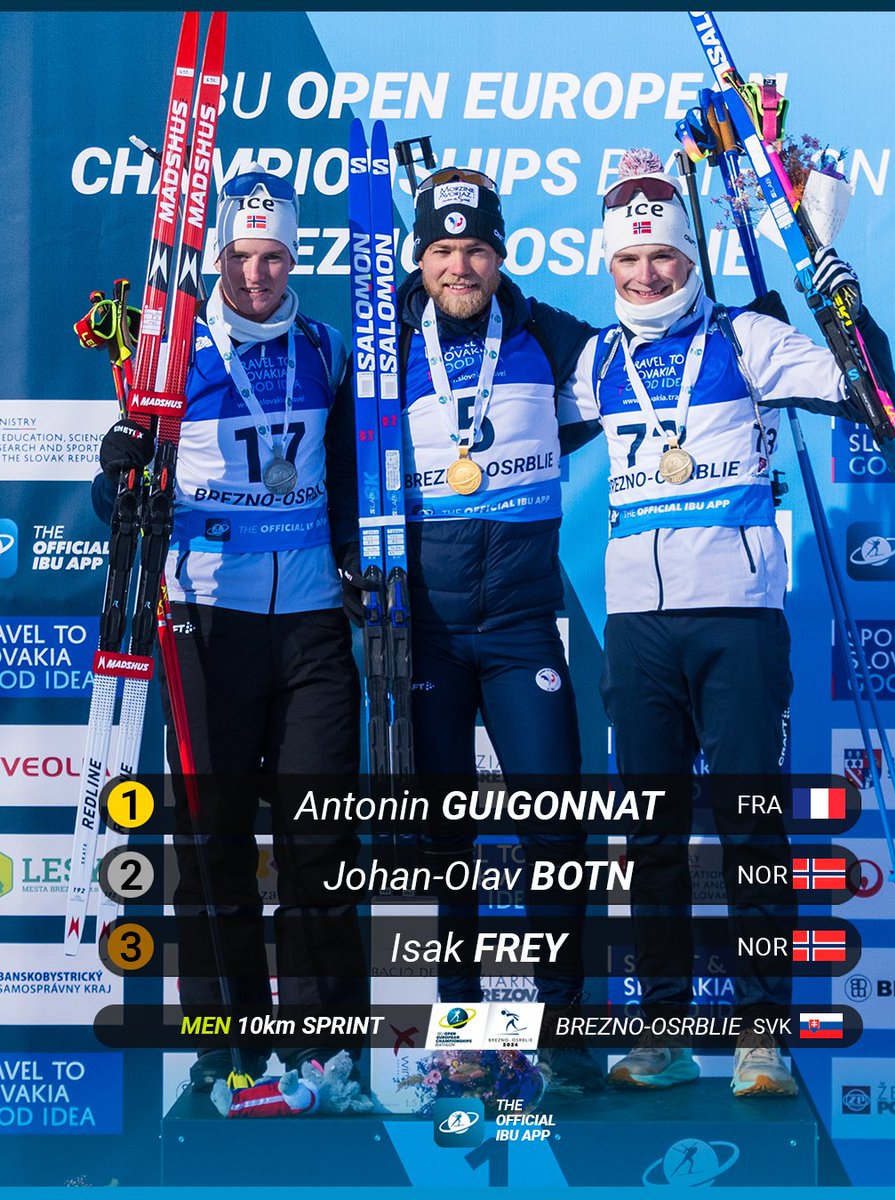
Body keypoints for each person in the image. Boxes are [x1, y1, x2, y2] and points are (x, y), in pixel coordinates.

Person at [565, 149, 895, 1097]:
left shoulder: (748, 339)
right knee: (651, 836)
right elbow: (510, 428)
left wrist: (841, 294)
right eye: (628, 263)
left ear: (689, 258)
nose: (645, 276)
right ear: (608, 265)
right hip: (637, 626)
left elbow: (868, 392)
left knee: (752, 828)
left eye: (662, 258)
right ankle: (662, 1032)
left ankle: (761, 1036)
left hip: (739, 619)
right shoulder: (594, 360)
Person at [94, 166, 366, 1090]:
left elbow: (350, 468)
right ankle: (229, 1040)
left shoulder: (329, 349)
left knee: (320, 838)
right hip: (208, 623)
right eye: (242, 257)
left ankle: (328, 1044)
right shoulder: (172, 351)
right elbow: (127, 477)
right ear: (217, 256)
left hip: (314, 630)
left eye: (274, 256)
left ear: (295, 258)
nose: (258, 275)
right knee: (212, 840)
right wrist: (118, 463)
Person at [340, 166, 603, 1090]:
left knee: (555, 832)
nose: (461, 265)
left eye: (477, 249)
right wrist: (352, 570)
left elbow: (654, 361)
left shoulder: (549, 335)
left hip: (526, 631)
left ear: (500, 255)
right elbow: (344, 468)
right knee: (446, 843)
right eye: (444, 250)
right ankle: (463, 1034)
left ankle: (563, 1030)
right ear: (420, 258)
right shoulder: (380, 354)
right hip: (433, 638)